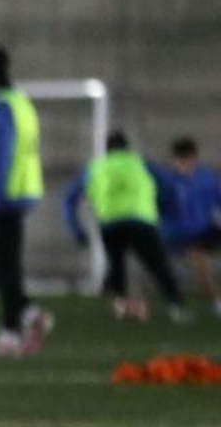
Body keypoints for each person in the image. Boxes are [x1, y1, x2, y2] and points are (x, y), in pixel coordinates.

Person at [0, 43, 54, 356]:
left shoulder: (2, 107)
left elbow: (2, 157)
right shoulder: (21, 103)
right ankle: (30, 315)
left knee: (3, 266)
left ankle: (10, 333)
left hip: (6, 198)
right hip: (23, 193)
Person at [63, 131, 186, 321]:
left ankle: (120, 307)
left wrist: (77, 229)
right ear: (127, 147)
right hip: (141, 220)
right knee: (157, 264)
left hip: (110, 223)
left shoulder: (96, 167)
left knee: (117, 265)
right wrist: (162, 209)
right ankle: (175, 306)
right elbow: (168, 186)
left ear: (107, 149)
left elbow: (69, 199)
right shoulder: (140, 163)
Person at [159, 137, 221, 317]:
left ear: (195, 157)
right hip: (179, 235)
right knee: (198, 260)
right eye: (181, 161)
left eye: (189, 160)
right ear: (174, 160)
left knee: (200, 254)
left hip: (206, 229)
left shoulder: (206, 177)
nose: (186, 165)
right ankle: (216, 303)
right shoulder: (168, 182)